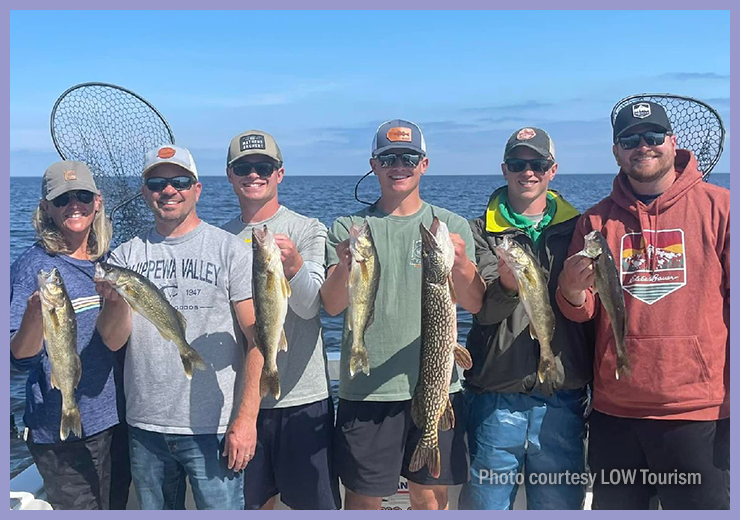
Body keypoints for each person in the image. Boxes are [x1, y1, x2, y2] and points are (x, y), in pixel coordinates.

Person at [557, 100, 730, 509]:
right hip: (615, 412)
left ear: (673, 142)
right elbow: (582, 313)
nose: (643, 146)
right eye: (630, 139)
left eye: (653, 136)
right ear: (616, 151)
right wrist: (570, 290)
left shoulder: (722, 207)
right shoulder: (596, 221)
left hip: (697, 411)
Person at [321, 119, 485, 510]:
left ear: (424, 164)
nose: (399, 165)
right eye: (389, 158)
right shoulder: (348, 226)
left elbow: (476, 303)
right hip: (367, 387)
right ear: (373, 165)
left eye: (409, 157)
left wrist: (459, 264)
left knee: (430, 496)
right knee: (362, 497)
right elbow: (331, 305)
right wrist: (345, 265)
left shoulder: (451, 226)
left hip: (437, 386)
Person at [95, 145, 257, 510]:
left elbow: (257, 339)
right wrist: (116, 299)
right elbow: (112, 339)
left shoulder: (230, 249)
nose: (168, 190)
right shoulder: (125, 256)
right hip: (145, 426)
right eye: (157, 183)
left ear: (197, 189)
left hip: (213, 427)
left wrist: (246, 419)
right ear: (144, 191)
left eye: (180, 181)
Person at [457, 128, 592, 510]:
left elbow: (590, 311)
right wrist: (506, 284)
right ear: (504, 169)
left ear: (553, 170)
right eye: (518, 164)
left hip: (562, 398)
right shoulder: (479, 232)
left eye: (538, 164)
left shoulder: (579, 228)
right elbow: (485, 311)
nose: (527, 172)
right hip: (495, 396)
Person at [221, 130, 340, 510]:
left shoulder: (308, 228)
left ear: (280, 174)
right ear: (229, 175)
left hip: (305, 399)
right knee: (254, 505)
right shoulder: (219, 238)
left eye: (263, 167)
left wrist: (294, 266)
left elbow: (309, 307)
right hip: (242, 404)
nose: (254, 174)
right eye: (244, 168)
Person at [10, 161, 130, 509]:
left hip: (114, 419)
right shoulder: (33, 266)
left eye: (82, 196)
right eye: (62, 199)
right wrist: (35, 316)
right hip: (57, 430)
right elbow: (19, 359)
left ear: (97, 201)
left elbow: (115, 340)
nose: (74, 205)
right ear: (46, 208)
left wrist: (118, 304)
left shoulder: (108, 259)